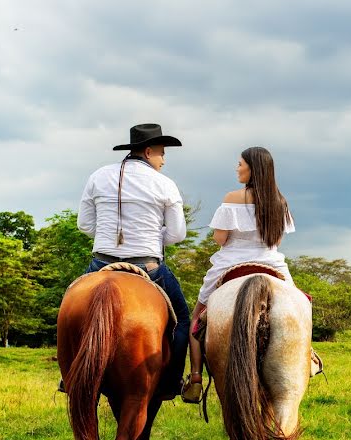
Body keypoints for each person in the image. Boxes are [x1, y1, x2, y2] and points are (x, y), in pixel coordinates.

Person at [60, 123, 191, 401]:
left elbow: (85, 225)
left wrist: (109, 235)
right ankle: (171, 382)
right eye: (161, 153)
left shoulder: (98, 175)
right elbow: (178, 234)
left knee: (68, 309)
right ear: (147, 151)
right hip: (147, 267)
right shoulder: (165, 184)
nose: (163, 160)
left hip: (101, 264)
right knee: (182, 320)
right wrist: (154, 239)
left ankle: (68, 374)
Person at [181, 146, 296, 402]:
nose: (237, 167)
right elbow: (275, 240)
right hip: (271, 264)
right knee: (300, 308)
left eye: (240, 163)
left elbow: (221, 240)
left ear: (252, 168)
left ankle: (196, 377)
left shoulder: (232, 198)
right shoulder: (280, 201)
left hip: (230, 263)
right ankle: (307, 355)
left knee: (197, 318)